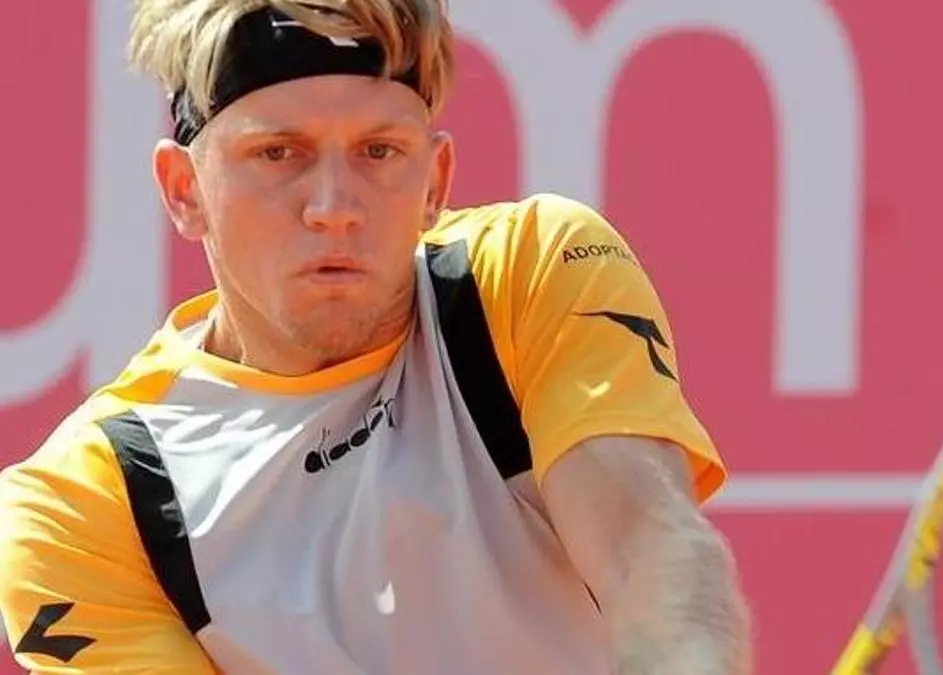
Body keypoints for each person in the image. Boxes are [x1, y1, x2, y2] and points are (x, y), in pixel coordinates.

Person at [0, 0, 751, 673]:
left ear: (436, 181)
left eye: (378, 151)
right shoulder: (85, 503)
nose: (334, 206)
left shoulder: (530, 271)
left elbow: (649, 552)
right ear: (184, 190)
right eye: (279, 153)